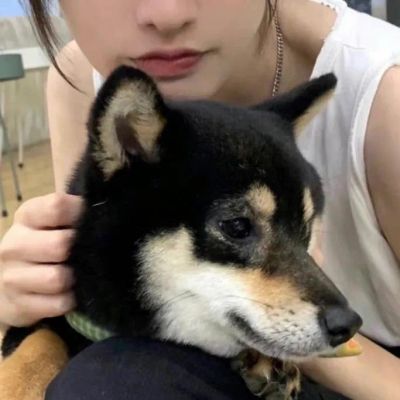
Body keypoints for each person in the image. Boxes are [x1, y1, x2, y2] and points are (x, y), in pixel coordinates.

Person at [0, 0, 399, 399]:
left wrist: (303, 338)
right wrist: (36, 295)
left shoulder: (386, 99)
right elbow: (99, 302)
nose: (167, 14)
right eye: (238, 227)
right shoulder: (80, 75)